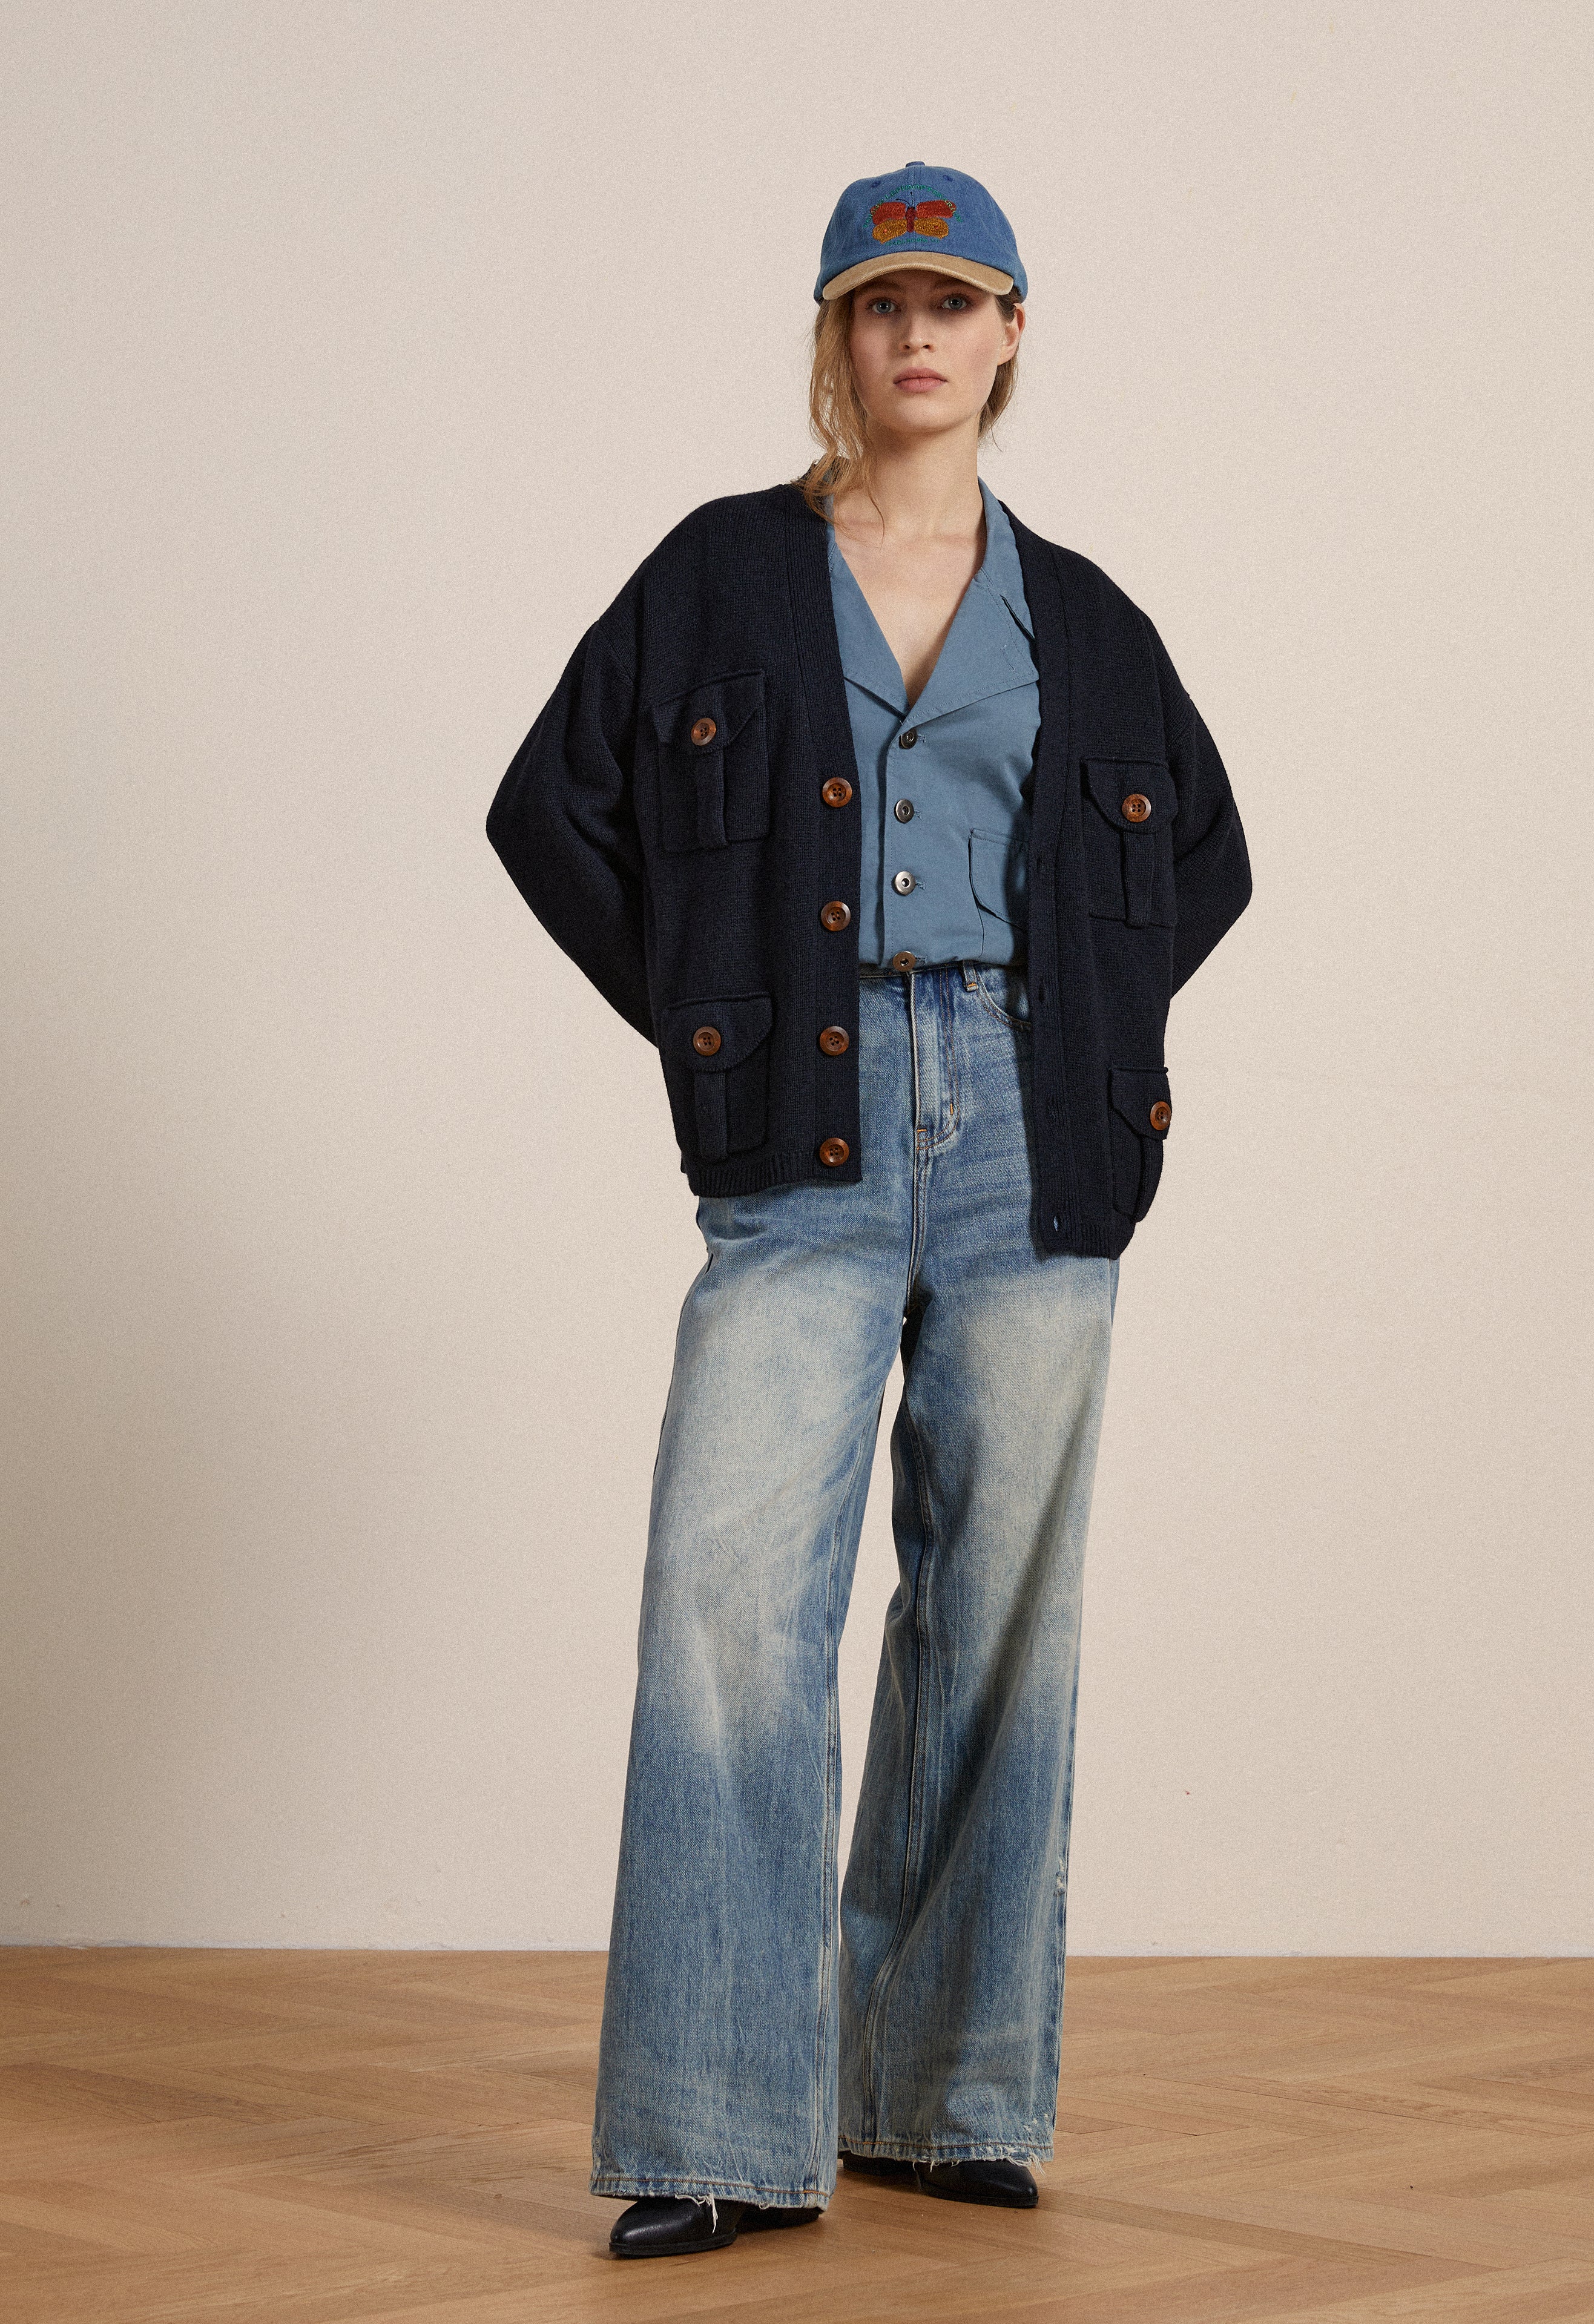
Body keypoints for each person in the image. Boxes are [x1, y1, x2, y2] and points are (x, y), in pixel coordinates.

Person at [486, 161, 1251, 2262]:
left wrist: (1072, 1037)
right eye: (879, 302)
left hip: (1031, 1135)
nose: (917, 334)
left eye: (955, 300)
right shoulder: (720, 574)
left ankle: (941, 2094)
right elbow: (549, 809)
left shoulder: (1090, 620)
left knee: (1002, 1611)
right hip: (803, 1143)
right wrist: (716, 1015)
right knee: (731, 1606)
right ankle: (719, 2125)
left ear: (1012, 334)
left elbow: (1202, 860)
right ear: (835, 336)